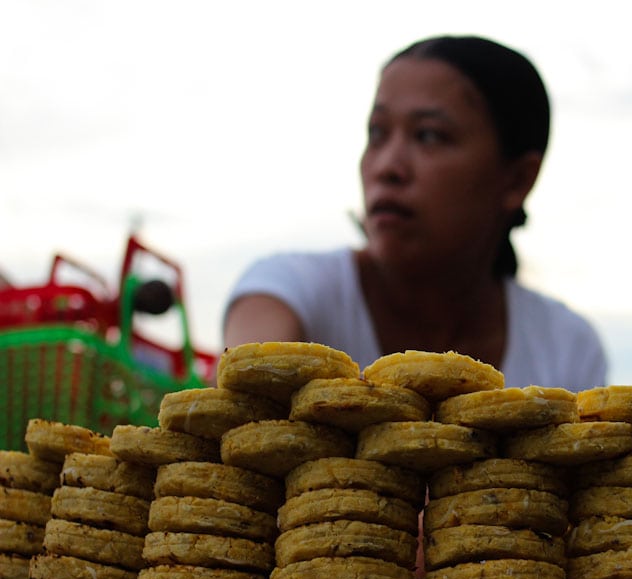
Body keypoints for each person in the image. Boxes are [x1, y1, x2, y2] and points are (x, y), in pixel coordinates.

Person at [223, 34, 608, 392]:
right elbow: (249, 379)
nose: (387, 166)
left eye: (428, 135)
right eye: (377, 133)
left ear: (516, 181)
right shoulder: (293, 290)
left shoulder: (566, 349)